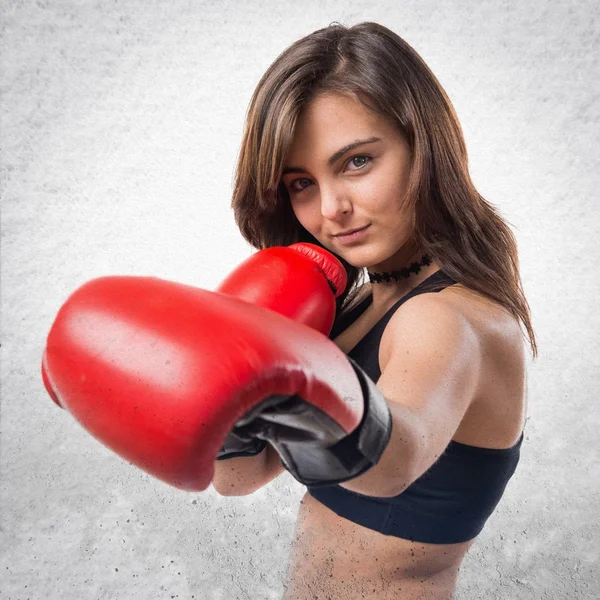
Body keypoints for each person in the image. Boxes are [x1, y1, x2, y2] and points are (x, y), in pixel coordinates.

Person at [212, 21, 537, 600]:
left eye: (357, 162)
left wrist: (270, 377)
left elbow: (393, 460)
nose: (331, 208)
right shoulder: (357, 305)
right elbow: (239, 478)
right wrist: (226, 389)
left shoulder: (446, 318)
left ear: (425, 146)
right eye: (301, 183)